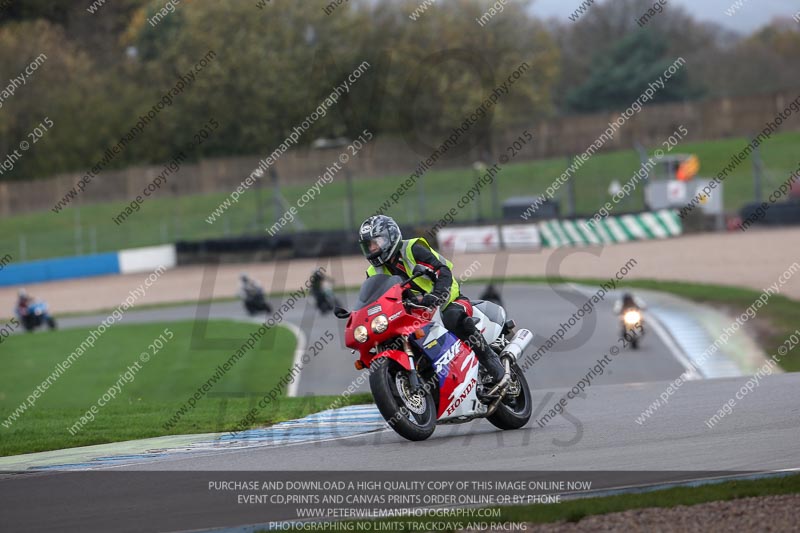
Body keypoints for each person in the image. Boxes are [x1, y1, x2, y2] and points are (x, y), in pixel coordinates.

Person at [358, 215, 507, 389]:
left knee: (453, 317)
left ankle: (491, 362)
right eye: (368, 245)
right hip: (414, 313)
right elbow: (372, 299)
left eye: (376, 243)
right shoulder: (373, 272)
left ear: (390, 237)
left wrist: (437, 295)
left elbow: (442, 271)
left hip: (447, 301)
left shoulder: (412, 249)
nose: (372, 249)